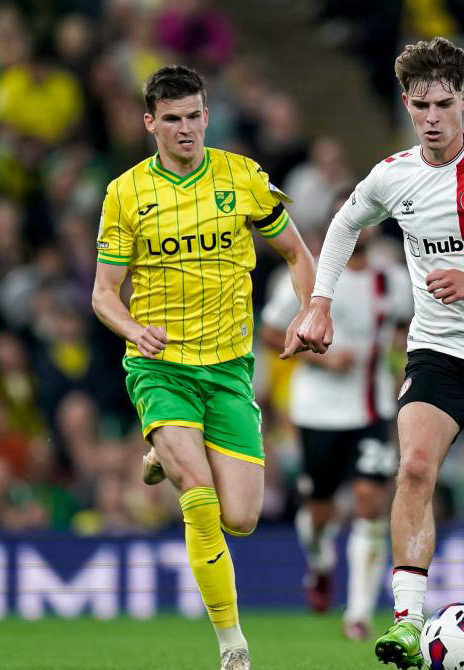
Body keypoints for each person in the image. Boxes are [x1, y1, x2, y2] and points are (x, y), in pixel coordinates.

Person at [290, 37, 464, 669]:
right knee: (415, 467)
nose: (433, 117)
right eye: (421, 106)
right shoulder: (394, 175)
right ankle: (407, 623)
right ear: (407, 105)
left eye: (444, 103)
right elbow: (344, 224)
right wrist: (320, 302)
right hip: (437, 350)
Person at [91, 65, 316, 670]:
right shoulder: (126, 194)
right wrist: (133, 329)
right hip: (160, 367)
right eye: (172, 119)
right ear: (150, 123)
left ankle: (162, 453)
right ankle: (232, 645)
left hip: (229, 370)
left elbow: (297, 254)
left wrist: (309, 311)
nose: (185, 129)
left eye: (194, 116)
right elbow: (104, 293)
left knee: (240, 517)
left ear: (207, 116)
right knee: (199, 495)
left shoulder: (242, 178)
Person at [261, 192, 413, 641]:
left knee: (369, 500)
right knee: (319, 513)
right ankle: (321, 562)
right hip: (318, 411)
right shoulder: (310, 274)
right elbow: (270, 332)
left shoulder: (393, 279)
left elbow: (405, 327)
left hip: (372, 408)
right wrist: (322, 359)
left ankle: (359, 614)